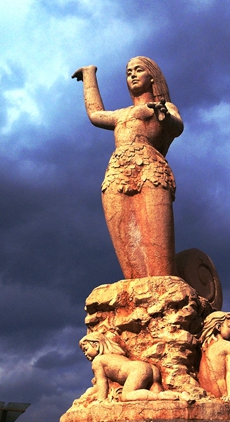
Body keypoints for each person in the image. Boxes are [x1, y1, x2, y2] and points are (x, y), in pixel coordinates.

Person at [72, 57, 184, 279]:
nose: (132, 75)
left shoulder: (164, 107)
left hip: (150, 168)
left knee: (157, 247)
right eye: (128, 72)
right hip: (117, 172)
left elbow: (177, 126)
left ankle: (166, 289)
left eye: (138, 70)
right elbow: (95, 115)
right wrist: (89, 75)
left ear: (152, 77)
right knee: (125, 241)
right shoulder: (121, 114)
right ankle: (135, 290)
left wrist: (163, 117)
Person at [79, 333, 185, 402]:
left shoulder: (98, 361)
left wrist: (101, 400)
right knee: (158, 392)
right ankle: (180, 396)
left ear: (96, 345)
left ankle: (159, 397)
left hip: (137, 370)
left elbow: (102, 382)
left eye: (86, 349)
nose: (85, 354)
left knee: (127, 396)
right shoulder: (116, 355)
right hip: (151, 368)